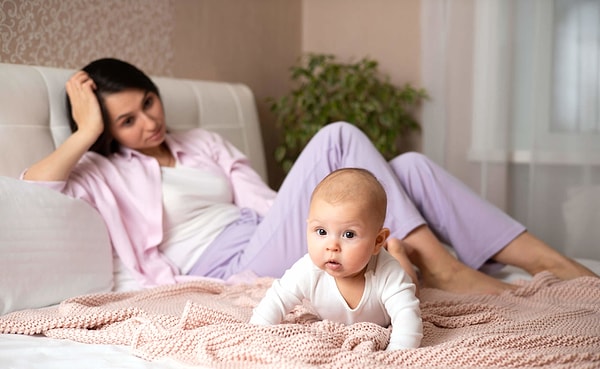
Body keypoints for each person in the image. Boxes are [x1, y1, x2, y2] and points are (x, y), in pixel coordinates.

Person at [21, 58, 598, 294]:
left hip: (270, 231)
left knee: (411, 167)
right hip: (232, 268)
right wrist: (86, 128)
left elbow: (270, 204)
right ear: (106, 129)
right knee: (339, 137)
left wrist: (319, 224)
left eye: (148, 103)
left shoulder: (201, 143)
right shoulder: (101, 170)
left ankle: (551, 263)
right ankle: (442, 265)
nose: (149, 122)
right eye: (127, 120)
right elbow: (36, 187)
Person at [250, 168, 422, 350]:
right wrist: (255, 336)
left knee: (413, 289)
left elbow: (407, 318)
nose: (332, 246)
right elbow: (276, 300)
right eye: (321, 231)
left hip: (396, 279)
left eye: (349, 234)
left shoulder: (388, 272)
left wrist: (394, 356)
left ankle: (397, 250)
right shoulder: (307, 270)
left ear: (377, 241)